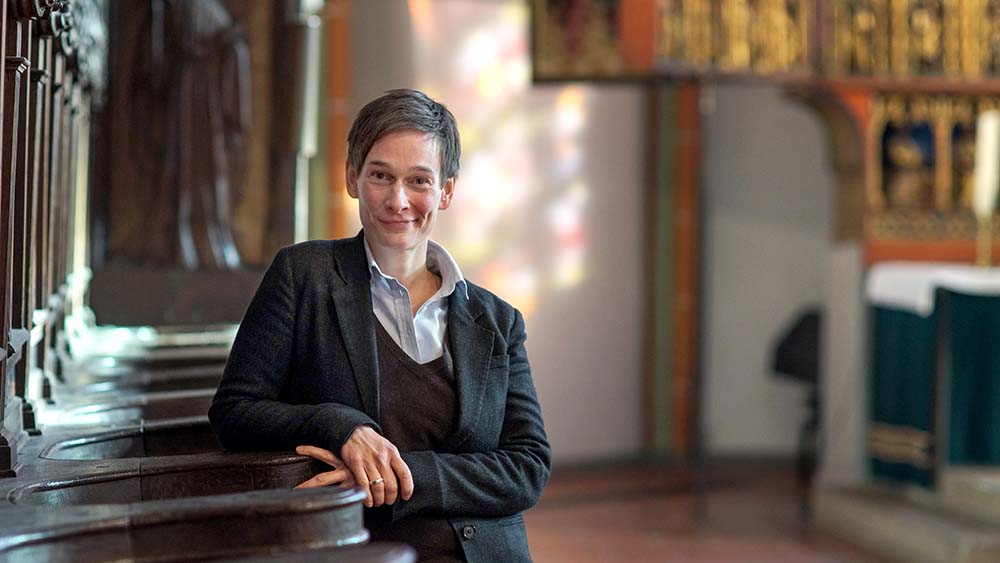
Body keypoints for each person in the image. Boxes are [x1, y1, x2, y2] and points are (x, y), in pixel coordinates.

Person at [209, 89, 551, 562]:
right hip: (360, 551)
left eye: (418, 181)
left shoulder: (497, 321)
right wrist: (340, 425)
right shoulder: (302, 275)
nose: (398, 200)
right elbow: (233, 412)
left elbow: (527, 466)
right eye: (380, 176)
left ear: (446, 191)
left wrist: (400, 476)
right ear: (352, 177)